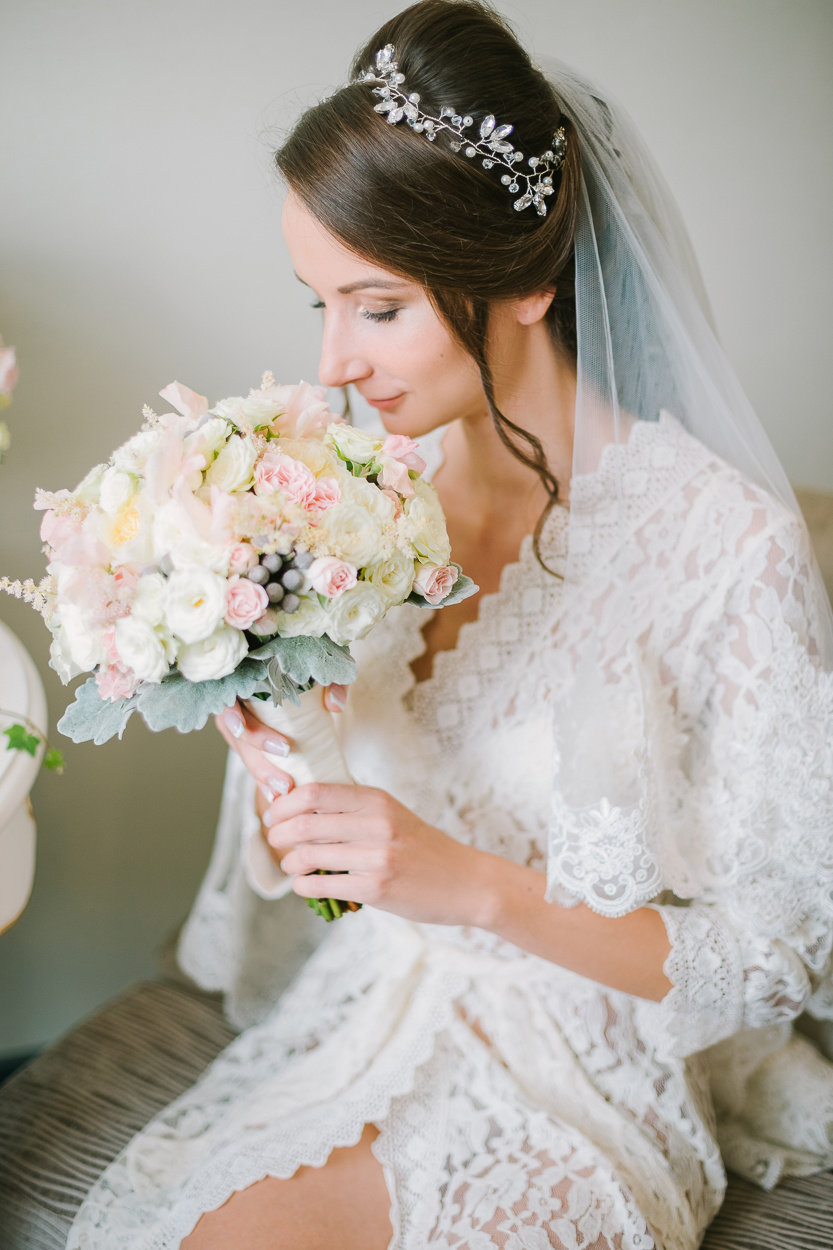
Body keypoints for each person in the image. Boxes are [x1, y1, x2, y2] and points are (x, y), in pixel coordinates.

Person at [67, 2, 833, 1247]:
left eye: (376, 308)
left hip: (588, 1064)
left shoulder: (722, 548)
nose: (333, 366)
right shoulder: (353, 505)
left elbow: (767, 961)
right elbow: (324, 866)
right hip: (373, 1003)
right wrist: (288, 759)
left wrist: (469, 883)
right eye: (318, 302)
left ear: (527, 278)